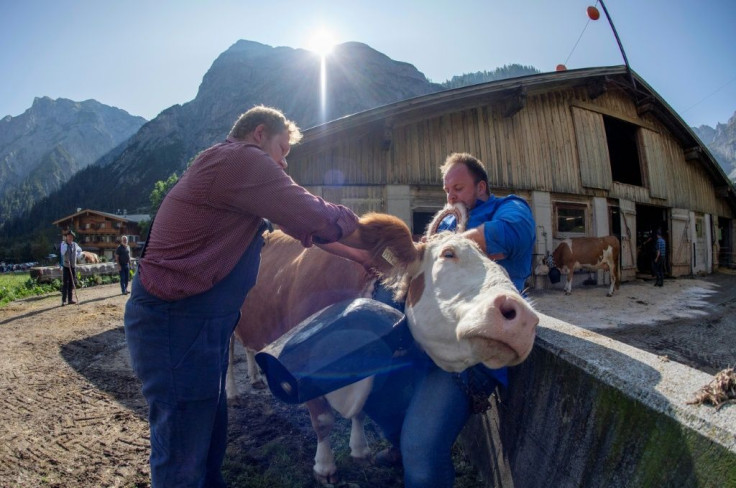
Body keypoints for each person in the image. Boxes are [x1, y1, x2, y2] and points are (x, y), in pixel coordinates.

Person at [123, 105, 369, 488]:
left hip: (193, 325)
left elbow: (306, 230)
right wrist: (380, 236)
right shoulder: (241, 160)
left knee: (206, 449)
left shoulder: (231, 171)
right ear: (259, 134)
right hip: (176, 322)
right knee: (183, 462)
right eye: (283, 150)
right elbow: (312, 214)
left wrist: (362, 257)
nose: (284, 163)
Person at [363, 152, 536, 488]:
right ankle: (399, 444)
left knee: (422, 450)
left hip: (470, 349)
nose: (451, 197)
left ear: (481, 187)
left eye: (458, 188)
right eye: (447, 191)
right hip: (423, 337)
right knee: (372, 391)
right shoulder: (445, 222)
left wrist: (443, 249)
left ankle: (413, 452)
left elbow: (511, 233)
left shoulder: (510, 208)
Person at [59, 230, 83, 306]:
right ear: (66, 237)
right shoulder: (63, 244)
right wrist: (66, 245)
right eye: (69, 237)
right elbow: (62, 253)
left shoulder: (75, 245)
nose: (70, 238)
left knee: (72, 283)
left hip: (73, 266)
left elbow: (80, 250)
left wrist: (76, 255)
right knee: (65, 283)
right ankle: (63, 300)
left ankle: (70, 299)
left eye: (71, 237)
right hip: (66, 266)